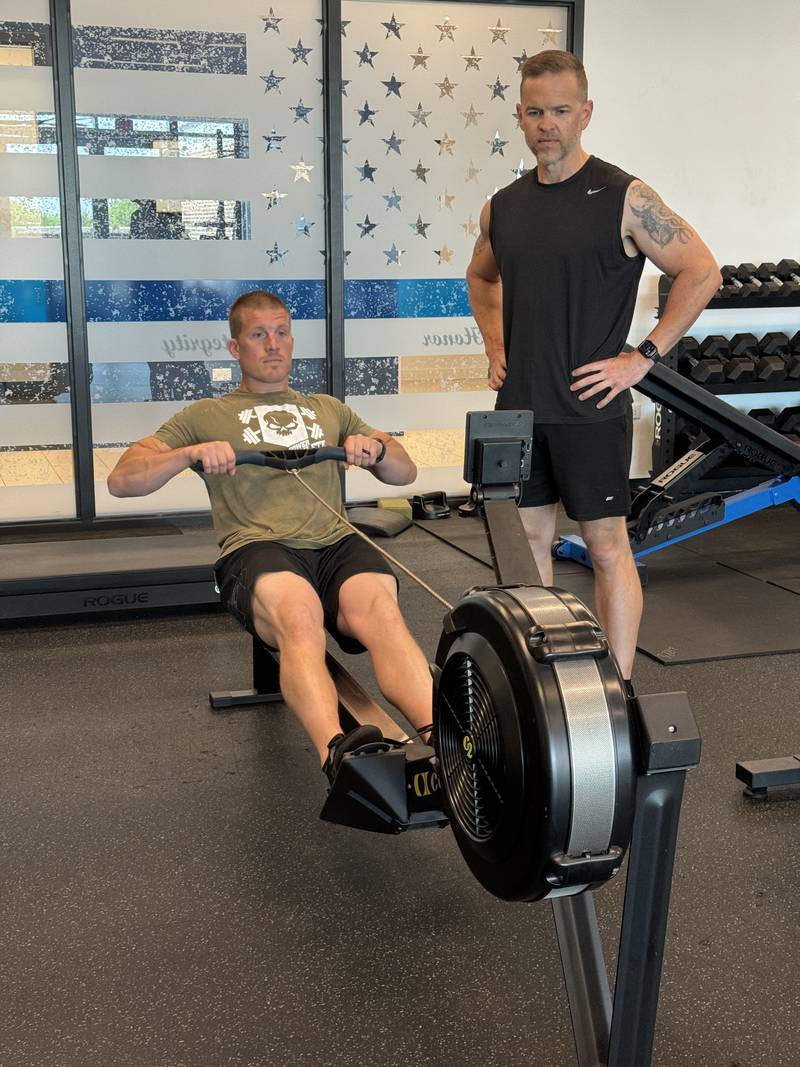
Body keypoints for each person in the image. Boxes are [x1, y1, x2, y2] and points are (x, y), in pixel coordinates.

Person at [465, 49, 721, 688]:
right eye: (534, 112)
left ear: (585, 113)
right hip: (522, 406)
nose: (546, 123)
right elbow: (480, 275)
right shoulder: (503, 206)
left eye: (559, 110)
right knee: (526, 556)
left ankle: (618, 691)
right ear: (520, 118)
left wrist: (643, 358)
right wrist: (496, 346)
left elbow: (702, 271)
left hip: (590, 406)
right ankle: (546, 694)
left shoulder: (625, 197)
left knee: (607, 549)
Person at [107, 290, 432, 783]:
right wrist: (188, 454)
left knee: (384, 614)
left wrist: (377, 447)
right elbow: (122, 480)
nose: (273, 344)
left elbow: (405, 474)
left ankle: (449, 743)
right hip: (257, 547)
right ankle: (338, 755)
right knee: (299, 619)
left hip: (335, 543)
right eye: (258, 334)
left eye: (281, 332)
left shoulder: (328, 408)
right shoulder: (206, 415)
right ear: (236, 348)